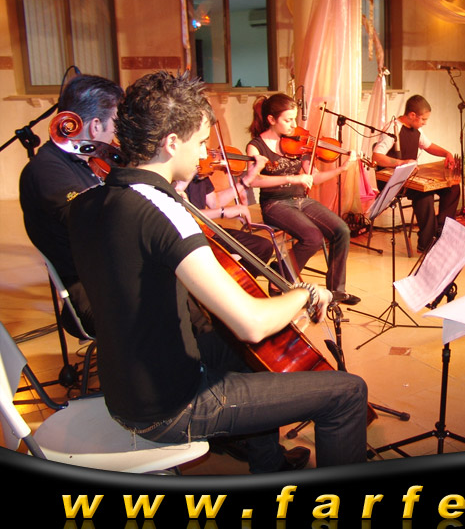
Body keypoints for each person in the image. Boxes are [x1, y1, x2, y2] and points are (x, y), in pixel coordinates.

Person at [68, 71, 369, 473]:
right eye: (200, 143)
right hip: (170, 405)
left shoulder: (86, 202)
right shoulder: (163, 211)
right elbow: (251, 323)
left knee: (248, 356)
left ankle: (271, 466)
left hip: (122, 389)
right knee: (347, 392)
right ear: (171, 143)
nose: (203, 155)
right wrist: (303, 294)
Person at [19, 74, 124, 337]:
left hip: (114, 276)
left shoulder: (88, 162)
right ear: (96, 125)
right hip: (90, 292)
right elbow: (94, 221)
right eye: (115, 123)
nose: (116, 135)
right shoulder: (46, 169)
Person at [245, 94, 360, 305]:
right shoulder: (256, 146)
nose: (293, 125)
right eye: (288, 120)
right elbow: (254, 181)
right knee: (313, 237)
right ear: (271, 119)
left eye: (294, 119)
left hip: (300, 199)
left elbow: (313, 177)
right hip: (275, 204)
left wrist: (342, 169)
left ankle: (336, 291)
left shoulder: (297, 143)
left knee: (341, 230)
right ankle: (280, 276)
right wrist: (291, 178)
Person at [371, 95, 460, 252]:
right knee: (424, 195)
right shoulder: (393, 128)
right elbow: (377, 156)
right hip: (393, 180)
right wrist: (401, 163)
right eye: (423, 119)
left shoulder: (416, 130)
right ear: (412, 115)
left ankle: (441, 232)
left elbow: (428, 146)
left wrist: (446, 153)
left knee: (452, 188)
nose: (425, 123)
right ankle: (426, 243)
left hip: (410, 177)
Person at [174, 156, 276, 280]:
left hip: (208, 230)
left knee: (262, 247)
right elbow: (183, 214)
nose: (205, 154)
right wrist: (223, 212)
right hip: (188, 237)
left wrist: (247, 179)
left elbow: (215, 202)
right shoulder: (173, 177)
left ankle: (238, 284)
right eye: (200, 146)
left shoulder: (200, 172)